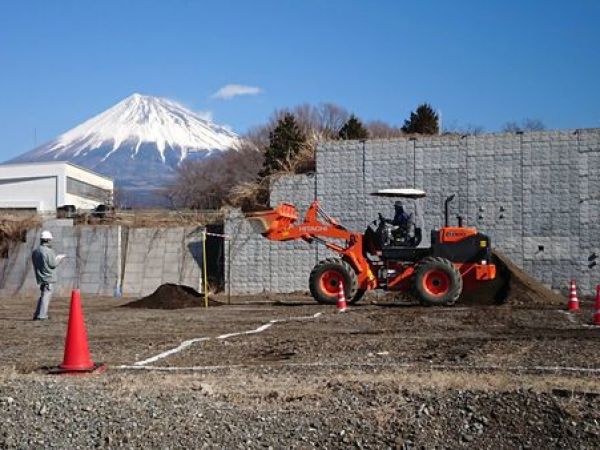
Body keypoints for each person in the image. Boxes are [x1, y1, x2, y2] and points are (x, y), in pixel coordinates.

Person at [32, 230, 64, 321]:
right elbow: (53, 264)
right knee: (46, 297)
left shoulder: (35, 251)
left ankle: (37, 314)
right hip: (48, 277)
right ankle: (42, 315)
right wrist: (59, 259)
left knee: (43, 295)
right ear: (48, 240)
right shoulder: (49, 251)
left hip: (40, 277)